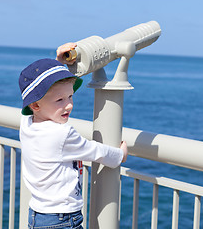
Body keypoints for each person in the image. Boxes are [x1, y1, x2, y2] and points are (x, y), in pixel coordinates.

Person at [19, 43, 128, 229]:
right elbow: (96, 151)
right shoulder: (62, 134)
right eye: (60, 100)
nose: (69, 105)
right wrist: (120, 155)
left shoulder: (27, 125)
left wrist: (58, 64)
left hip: (37, 214)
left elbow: (41, 91)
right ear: (36, 106)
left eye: (70, 97)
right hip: (62, 219)